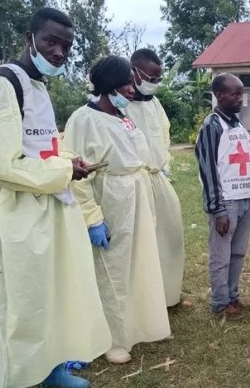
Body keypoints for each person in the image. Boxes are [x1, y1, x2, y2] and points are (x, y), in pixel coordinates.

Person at [0, 8, 111, 388]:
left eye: (66, 45)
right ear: (30, 38)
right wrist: (63, 171)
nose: (59, 51)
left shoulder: (38, 86)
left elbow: (41, 146)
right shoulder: (1, 85)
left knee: (52, 291)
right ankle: (20, 376)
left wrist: (67, 159)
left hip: (51, 205)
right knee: (24, 301)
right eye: (51, 41)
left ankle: (50, 369)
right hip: (18, 211)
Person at [64, 56, 171, 365]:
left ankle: (141, 325)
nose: (132, 89)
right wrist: (92, 216)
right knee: (113, 271)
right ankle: (114, 338)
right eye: (126, 83)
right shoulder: (84, 119)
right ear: (109, 84)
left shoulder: (124, 116)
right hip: (110, 199)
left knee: (140, 263)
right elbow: (77, 173)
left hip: (136, 195)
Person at [196, 73, 250, 320]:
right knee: (221, 256)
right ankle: (220, 303)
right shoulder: (212, 127)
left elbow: (245, 164)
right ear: (219, 95)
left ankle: (233, 298)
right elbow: (208, 170)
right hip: (226, 203)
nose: (240, 99)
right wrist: (217, 209)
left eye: (241, 93)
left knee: (238, 253)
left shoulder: (238, 125)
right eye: (234, 94)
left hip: (243, 199)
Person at [125, 48, 186, 307]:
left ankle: (168, 296)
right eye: (151, 77)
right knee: (141, 245)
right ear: (134, 72)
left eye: (159, 78)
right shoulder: (120, 103)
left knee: (170, 237)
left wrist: (164, 166)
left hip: (157, 178)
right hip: (134, 181)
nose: (155, 83)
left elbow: (164, 135)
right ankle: (145, 303)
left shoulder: (155, 103)